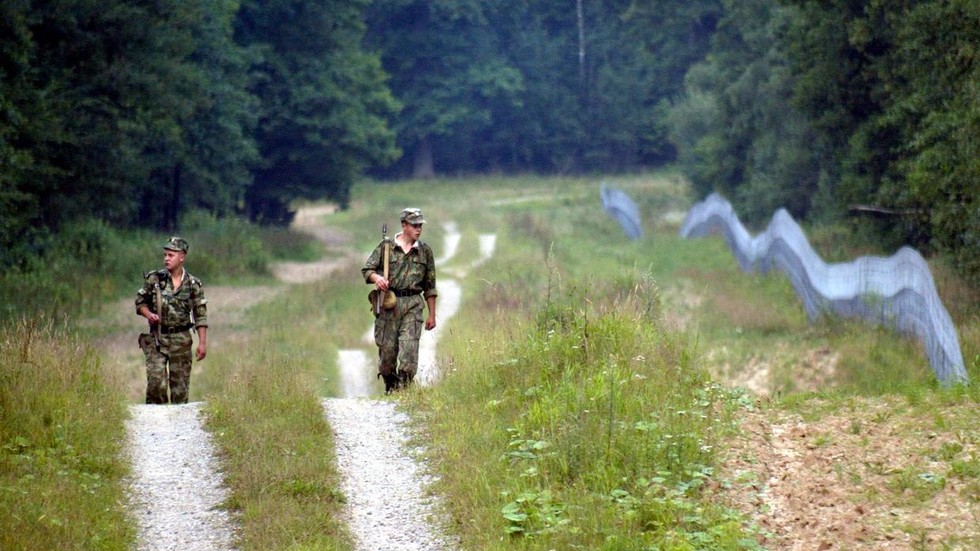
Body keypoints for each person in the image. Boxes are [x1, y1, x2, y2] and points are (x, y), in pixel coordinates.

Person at [362, 208, 438, 393]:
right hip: (390, 304)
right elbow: (367, 270)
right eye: (414, 225)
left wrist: (432, 315)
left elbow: (430, 286)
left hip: (413, 303)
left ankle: (404, 389)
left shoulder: (425, 252)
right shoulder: (386, 247)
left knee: (409, 349)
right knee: (387, 354)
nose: (418, 229)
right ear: (404, 225)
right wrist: (377, 279)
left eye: (420, 225)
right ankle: (391, 384)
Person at [135, 236, 208, 404]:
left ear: (181, 257)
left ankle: (178, 427)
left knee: (180, 392)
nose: (166, 259)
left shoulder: (192, 284)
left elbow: (200, 314)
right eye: (165, 255)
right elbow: (140, 303)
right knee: (156, 386)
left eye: (170, 255)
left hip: (181, 340)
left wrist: (202, 343)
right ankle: (155, 426)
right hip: (158, 338)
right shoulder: (155, 280)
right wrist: (149, 315)